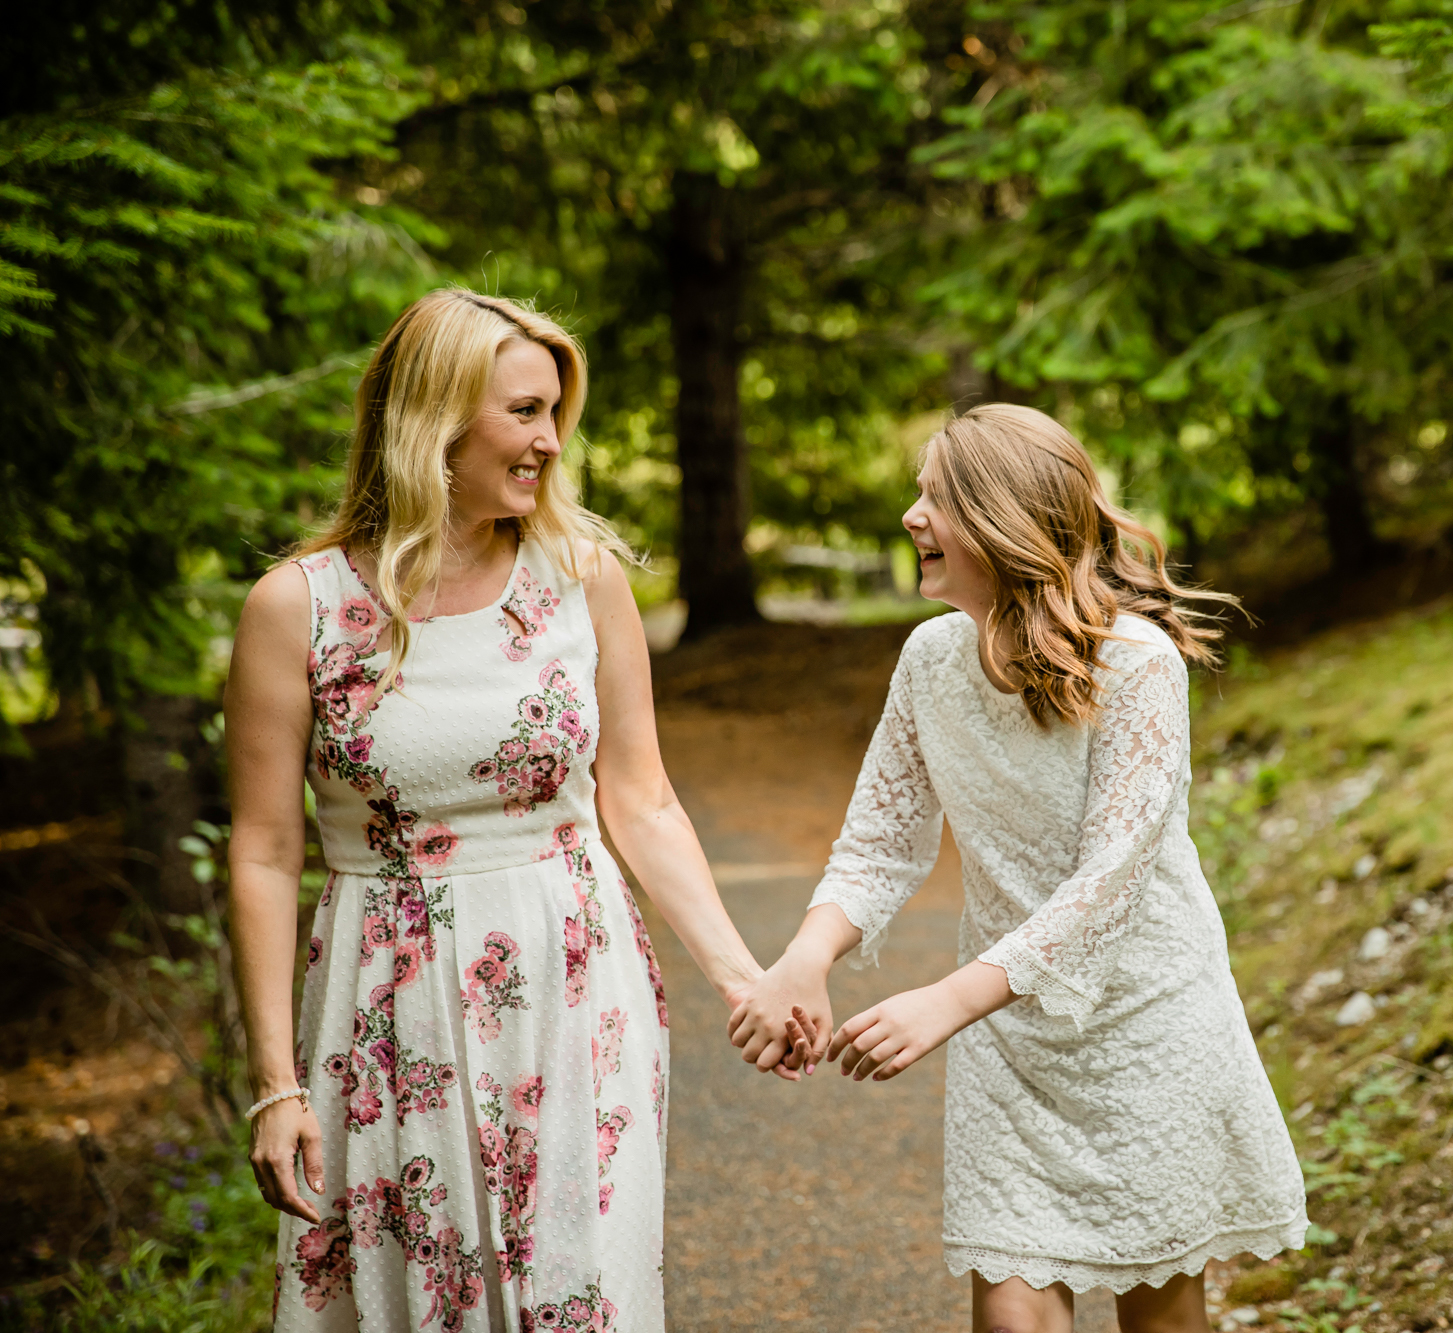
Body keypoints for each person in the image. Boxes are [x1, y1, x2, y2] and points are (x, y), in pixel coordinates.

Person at [227, 288, 773, 1332]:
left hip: (572, 978)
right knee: (410, 1290)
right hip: (387, 996)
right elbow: (261, 850)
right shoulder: (296, 608)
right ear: (433, 418)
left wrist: (739, 975)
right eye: (524, 412)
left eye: (555, 412)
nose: (551, 442)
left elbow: (641, 797)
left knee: (582, 1295)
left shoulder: (581, 580)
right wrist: (274, 1083)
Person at [729, 404, 1308, 1333]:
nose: (913, 515)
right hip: (1011, 1039)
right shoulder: (928, 660)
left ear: (1006, 519)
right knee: (1011, 1314)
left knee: (1160, 1313)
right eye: (918, 494)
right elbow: (882, 838)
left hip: (1148, 1023)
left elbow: (1106, 884)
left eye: (939, 497)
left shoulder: (1139, 665)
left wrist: (943, 1001)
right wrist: (805, 957)